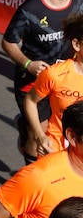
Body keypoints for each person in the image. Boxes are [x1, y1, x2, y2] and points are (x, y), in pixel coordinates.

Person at [1, 0, 83, 163]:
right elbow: (8, 42)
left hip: (65, 78)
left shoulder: (80, 2)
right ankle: (31, 168)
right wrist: (28, 64)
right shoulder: (30, 11)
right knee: (40, 134)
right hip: (33, 81)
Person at [23, 14, 83, 157]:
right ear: (77, 45)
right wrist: (40, 135)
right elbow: (30, 100)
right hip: (57, 148)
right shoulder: (55, 74)